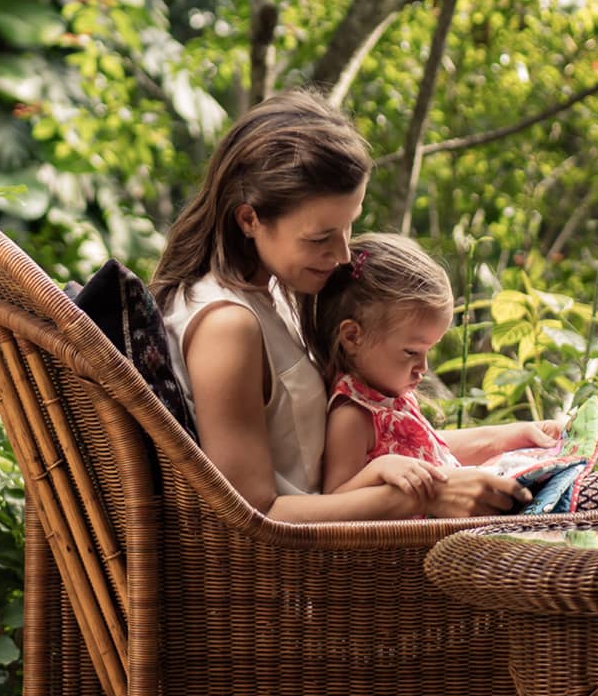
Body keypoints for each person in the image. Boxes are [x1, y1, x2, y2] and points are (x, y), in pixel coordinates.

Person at [150, 88, 533, 521]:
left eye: (349, 227)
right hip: (312, 572)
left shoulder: (279, 294)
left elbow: (364, 442)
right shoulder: (227, 326)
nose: (344, 255)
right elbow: (251, 517)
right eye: (319, 238)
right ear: (249, 219)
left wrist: (506, 440)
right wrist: (427, 496)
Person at [304, 231, 562, 499]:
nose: (423, 367)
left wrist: (512, 437)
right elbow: (336, 501)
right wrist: (380, 470)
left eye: (429, 351)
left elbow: (429, 447)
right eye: (411, 351)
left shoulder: (387, 396)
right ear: (352, 337)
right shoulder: (353, 415)